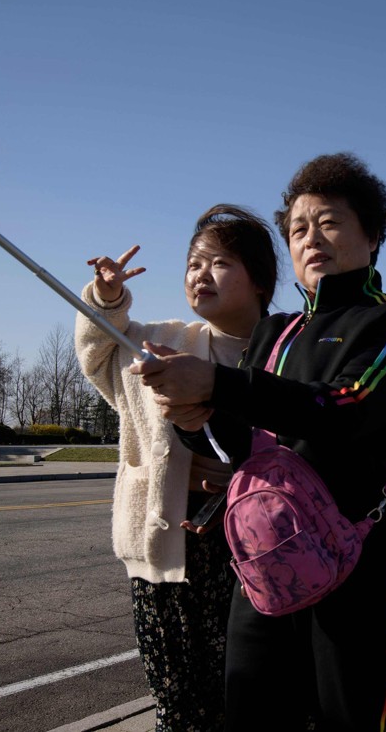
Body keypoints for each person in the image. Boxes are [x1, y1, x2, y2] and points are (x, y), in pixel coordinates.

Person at [131, 153, 386, 731]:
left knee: (350, 717)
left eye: (330, 222)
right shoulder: (274, 330)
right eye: (297, 229)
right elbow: (239, 446)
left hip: (362, 559)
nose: (311, 238)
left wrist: (218, 383)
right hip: (268, 563)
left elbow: (348, 406)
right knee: (252, 712)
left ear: (372, 235)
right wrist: (193, 415)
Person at [75, 206, 278, 731]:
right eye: (193, 263)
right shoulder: (163, 340)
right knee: (183, 704)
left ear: (259, 277)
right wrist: (109, 297)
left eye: (220, 262)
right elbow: (98, 351)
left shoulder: (290, 351)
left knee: (264, 698)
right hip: (175, 548)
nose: (199, 274)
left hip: (268, 547)